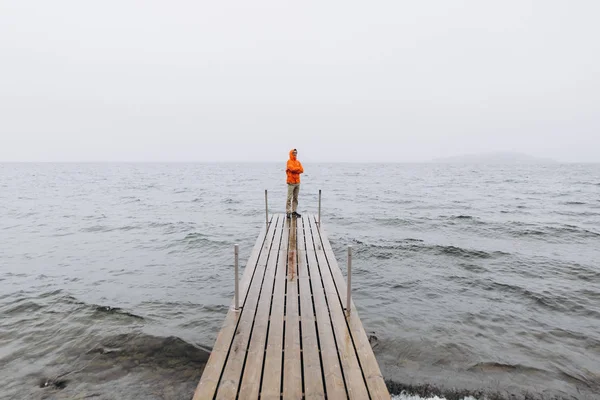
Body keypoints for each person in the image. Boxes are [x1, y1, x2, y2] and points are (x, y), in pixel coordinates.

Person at [285, 148, 304, 218]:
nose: (295, 154)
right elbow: (291, 169)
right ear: (291, 153)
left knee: (295, 198)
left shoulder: (298, 162)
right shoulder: (289, 162)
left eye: (296, 153)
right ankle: (288, 212)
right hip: (291, 182)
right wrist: (297, 169)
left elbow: (302, 170)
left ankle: (294, 211)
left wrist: (296, 169)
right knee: (289, 197)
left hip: (297, 182)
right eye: (294, 153)